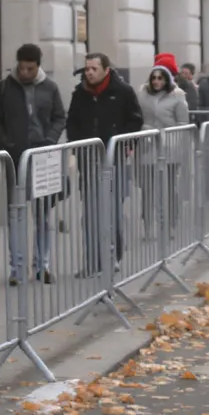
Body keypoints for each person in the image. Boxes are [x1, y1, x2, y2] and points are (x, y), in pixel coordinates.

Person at [0, 43, 66, 285]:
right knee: (16, 213)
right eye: (22, 68)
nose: (25, 73)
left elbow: (59, 117)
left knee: (42, 215)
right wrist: (4, 144)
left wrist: (51, 139)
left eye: (30, 68)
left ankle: (42, 265)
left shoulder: (50, 88)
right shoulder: (4, 88)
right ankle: (17, 268)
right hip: (16, 157)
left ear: (38, 66)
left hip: (43, 159)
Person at [67, 52, 143, 277]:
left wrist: (123, 141)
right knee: (89, 213)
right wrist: (77, 144)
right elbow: (72, 122)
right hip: (88, 160)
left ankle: (114, 256)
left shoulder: (123, 92)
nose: (89, 72)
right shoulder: (80, 94)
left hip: (114, 159)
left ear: (106, 70)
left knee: (113, 211)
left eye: (94, 69)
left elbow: (135, 119)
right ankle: (92, 262)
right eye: (87, 68)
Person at [137, 65, 189, 239]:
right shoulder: (143, 94)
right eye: (154, 78)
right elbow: (138, 117)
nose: (157, 81)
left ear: (167, 79)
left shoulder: (177, 96)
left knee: (169, 189)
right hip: (147, 146)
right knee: (147, 189)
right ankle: (148, 227)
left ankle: (169, 225)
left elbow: (183, 122)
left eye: (160, 78)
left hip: (170, 147)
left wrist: (173, 141)